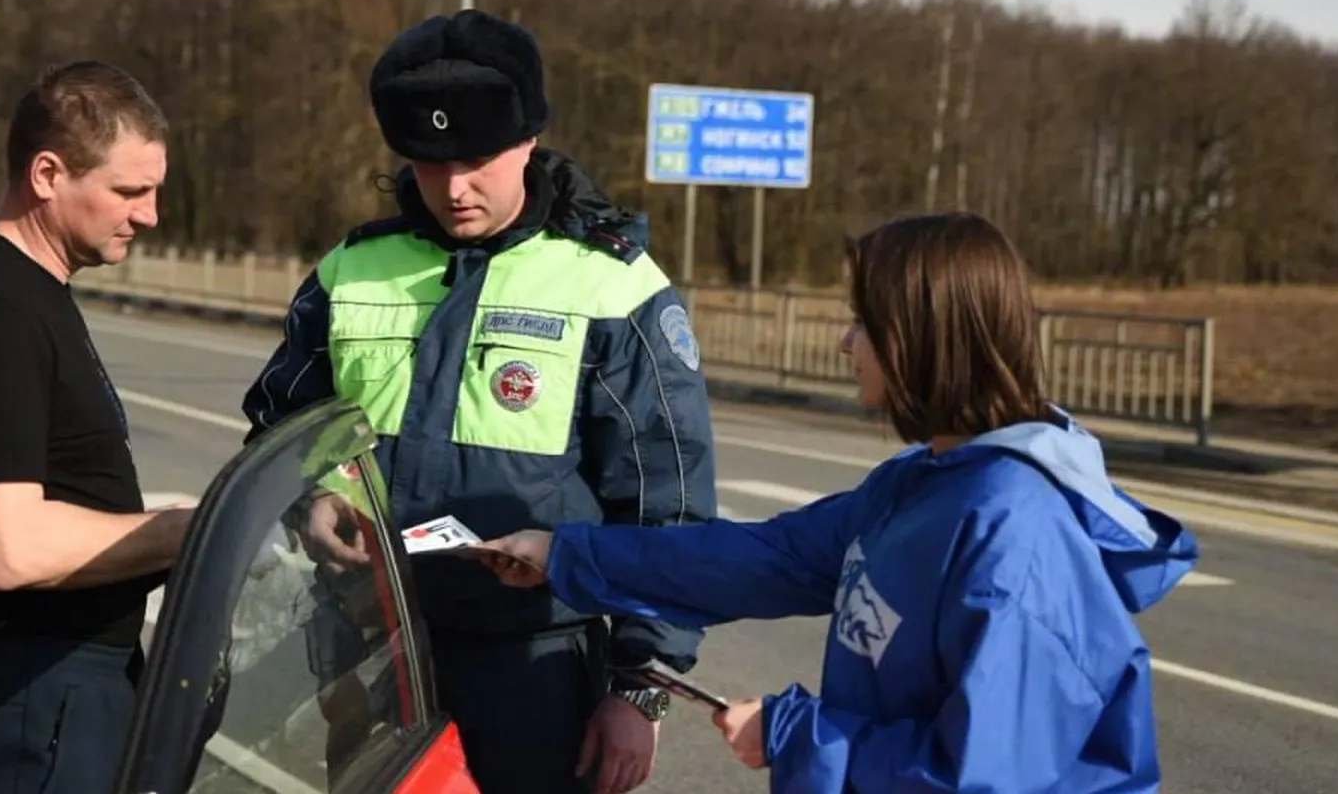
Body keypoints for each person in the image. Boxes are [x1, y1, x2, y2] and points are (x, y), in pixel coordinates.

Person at [474, 212, 1199, 794]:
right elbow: (768, 557)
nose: (845, 342)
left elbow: (987, 775)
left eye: (863, 323)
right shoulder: (922, 480)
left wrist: (797, 737)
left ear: (922, 339)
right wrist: (567, 553)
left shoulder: (1017, 535)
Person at [241, 9, 719, 794]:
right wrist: (316, 497)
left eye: (477, 159)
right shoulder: (351, 270)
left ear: (530, 139)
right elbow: (279, 431)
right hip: (369, 653)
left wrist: (640, 689)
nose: (454, 188)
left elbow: (666, 507)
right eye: (429, 163)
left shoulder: (610, 284)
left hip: (530, 665)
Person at [0, 60, 193, 794]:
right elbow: (9, 546)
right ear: (48, 173)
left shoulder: (27, 294)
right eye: (128, 191)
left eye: (154, 191)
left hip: (47, 691)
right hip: (21, 701)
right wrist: (185, 532)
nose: (149, 215)